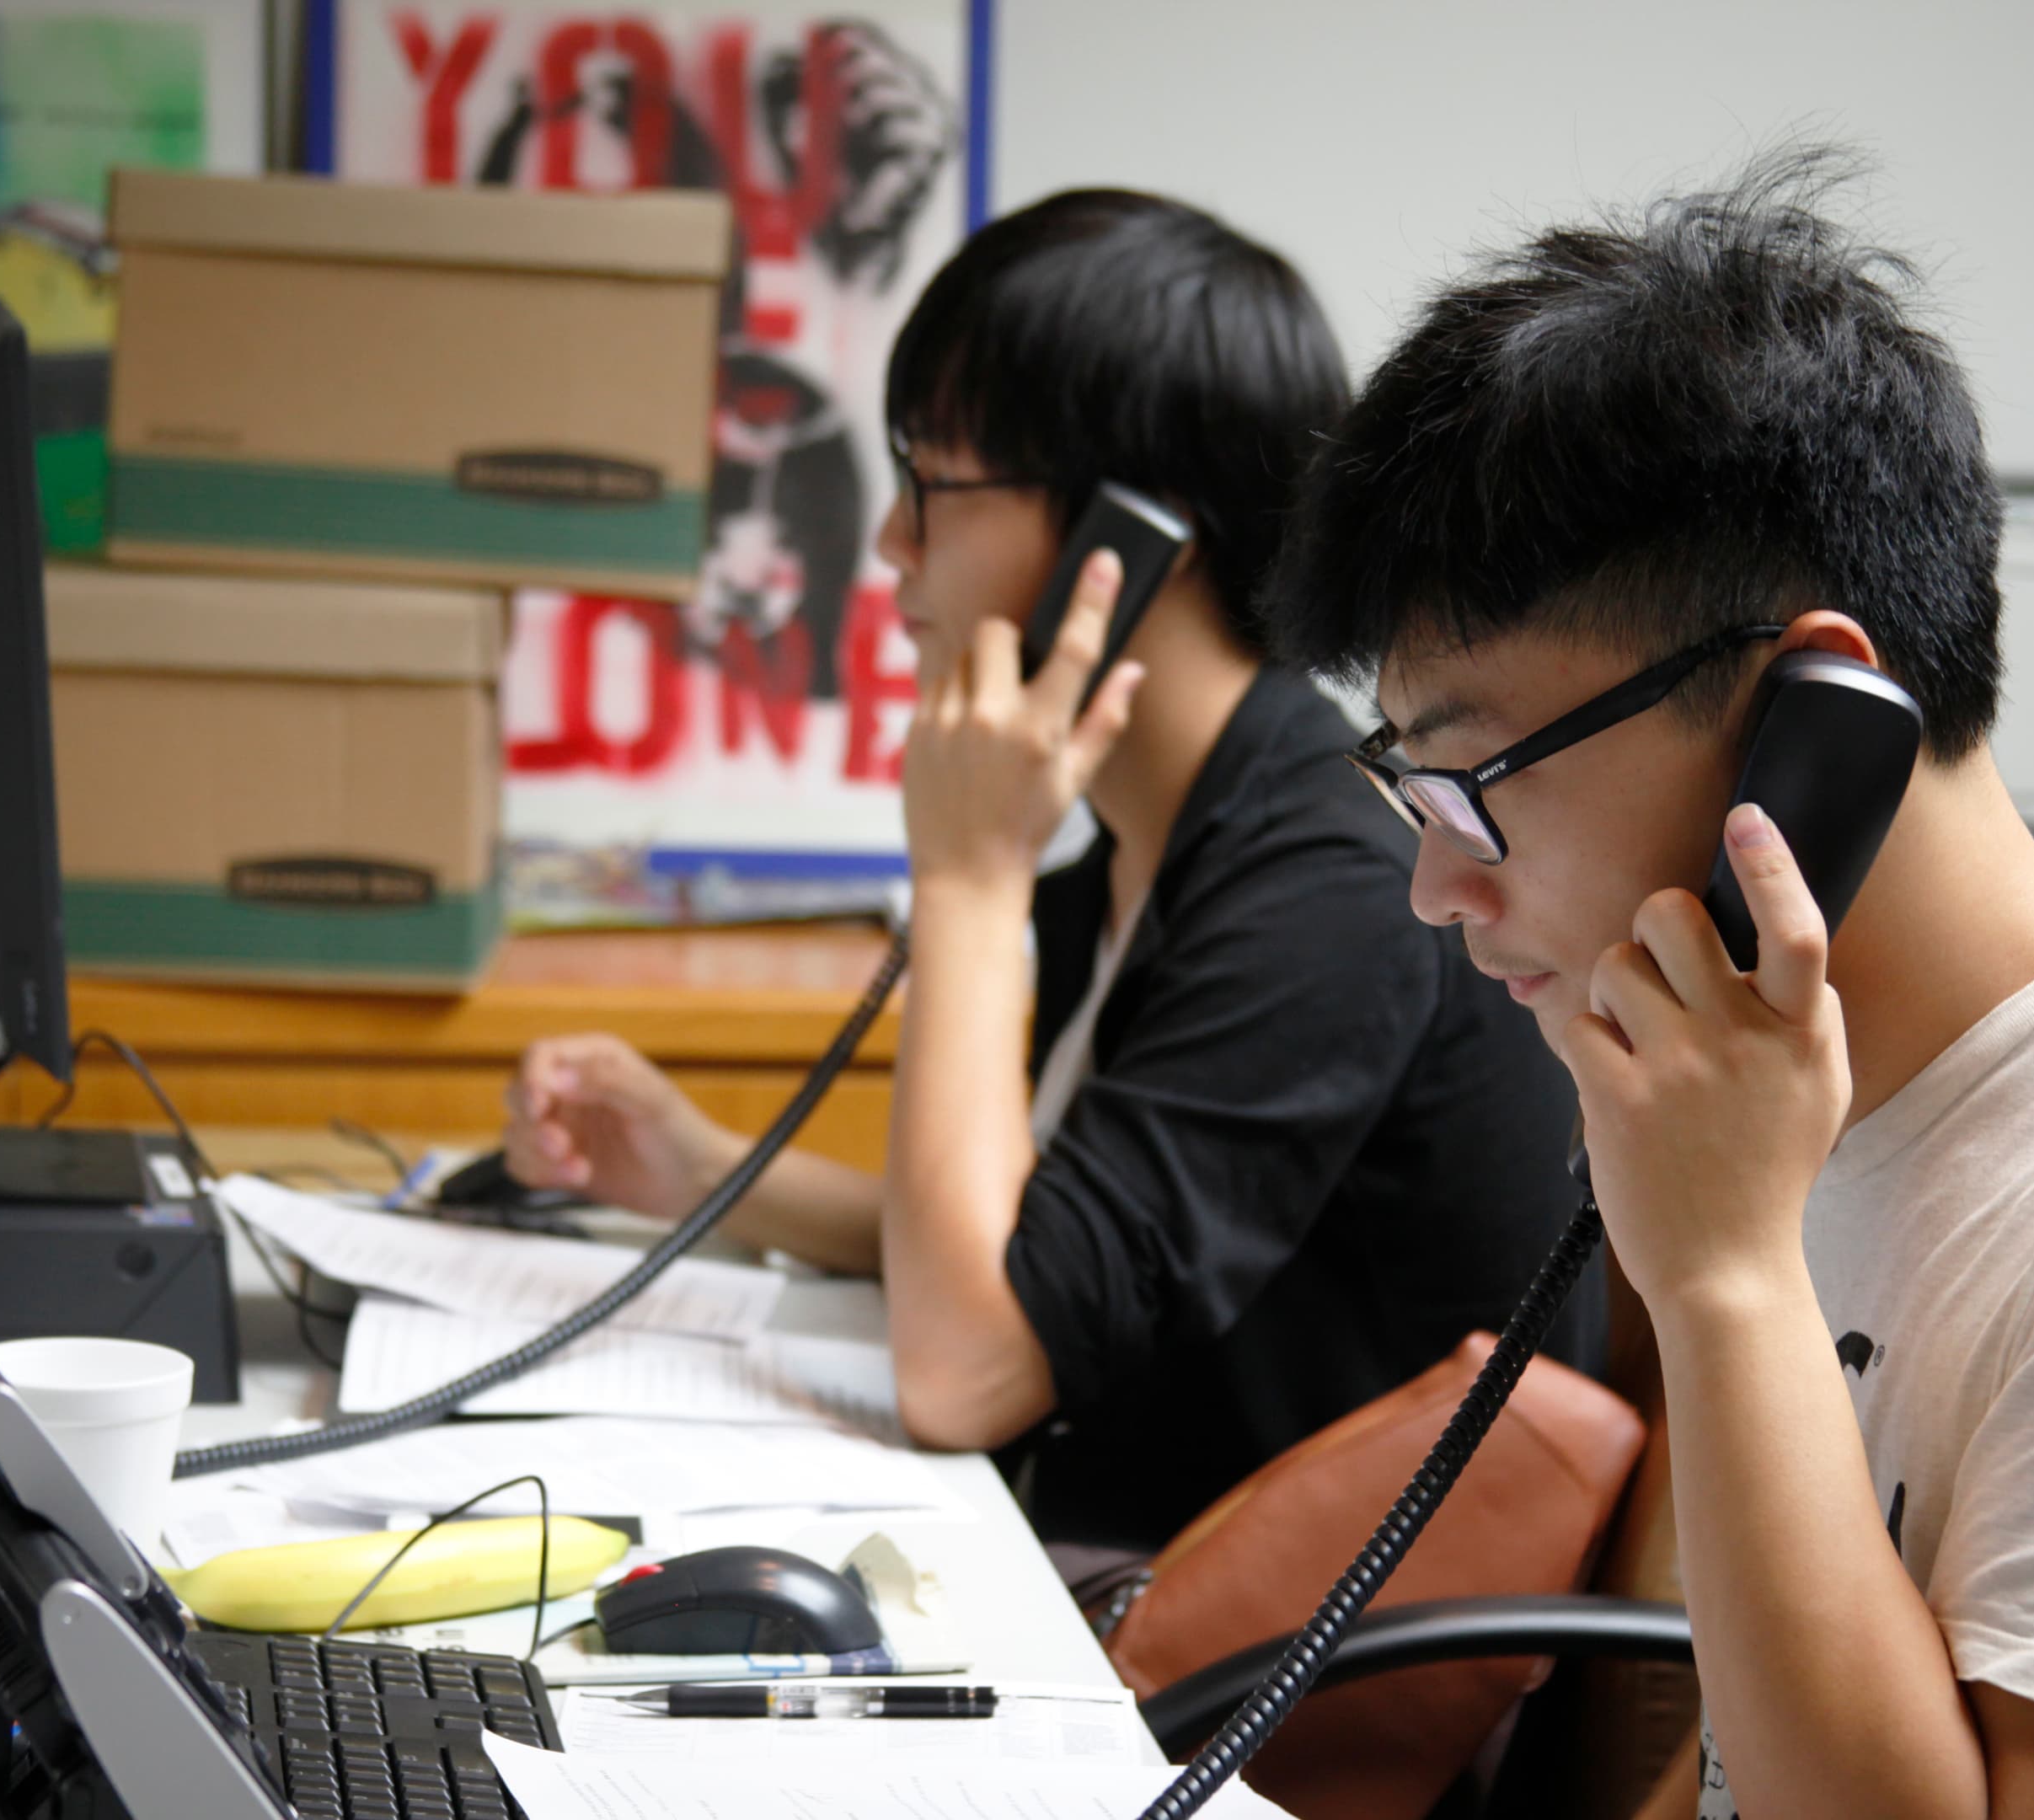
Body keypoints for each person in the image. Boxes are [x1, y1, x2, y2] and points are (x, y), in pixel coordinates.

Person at [1261, 147, 2034, 1819]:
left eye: (1476, 781)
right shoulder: (1807, 1103)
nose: (1438, 885)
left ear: (1813, 719)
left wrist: (1726, 1286)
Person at [500, 189, 1601, 1557]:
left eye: (935, 487)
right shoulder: (1161, 844)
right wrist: (700, 1170)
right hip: (1115, 1573)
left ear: (1126, 540)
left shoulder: (1331, 886)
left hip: (1264, 1711)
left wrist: (965, 881)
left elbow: (966, 1368)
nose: (895, 550)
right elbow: (1035, 1255)